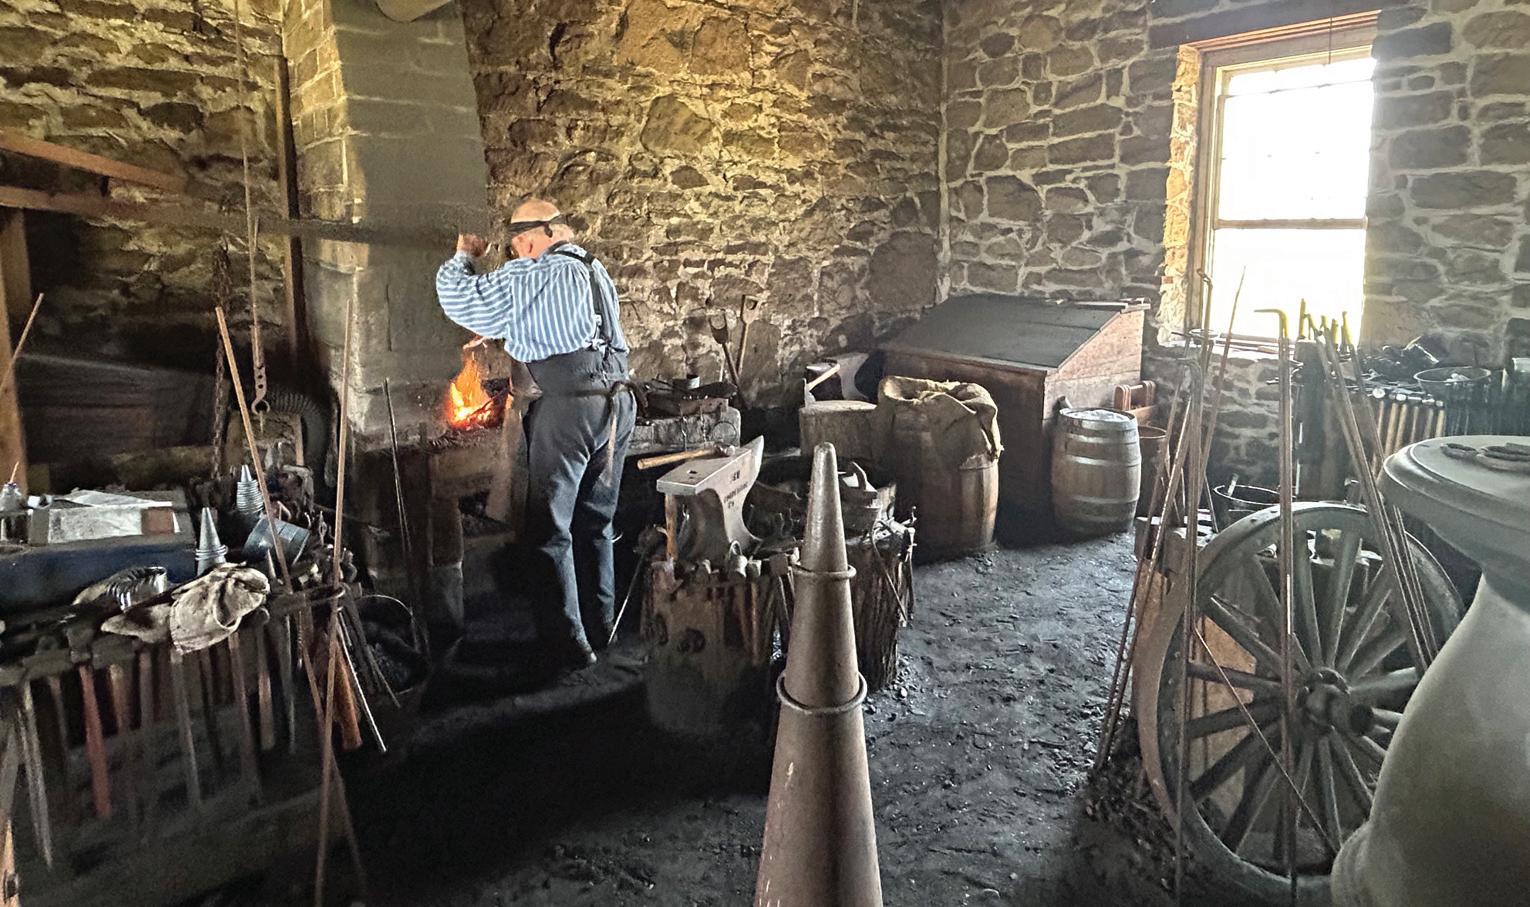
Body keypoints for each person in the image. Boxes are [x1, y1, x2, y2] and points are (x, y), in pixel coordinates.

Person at [435, 198, 636, 670]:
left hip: (567, 411)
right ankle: (602, 628)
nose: (517, 254)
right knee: (595, 521)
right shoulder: (594, 270)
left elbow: (459, 298)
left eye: (516, 247)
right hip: (617, 404)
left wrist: (464, 255)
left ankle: (568, 648)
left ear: (529, 241)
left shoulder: (532, 273)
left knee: (548, 530)